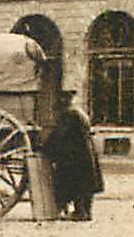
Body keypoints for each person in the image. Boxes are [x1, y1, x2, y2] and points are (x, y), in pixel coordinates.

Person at [42, 88, 103, 221]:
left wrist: (44, 147)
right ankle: (85, 212)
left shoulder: (69, 114)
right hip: (86, 152)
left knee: (75, 182)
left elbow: (59, 134)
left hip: (76, 155)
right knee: (86, 184)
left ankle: (80, 212)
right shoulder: (80, 112)